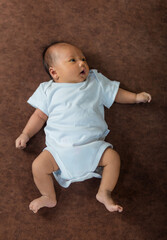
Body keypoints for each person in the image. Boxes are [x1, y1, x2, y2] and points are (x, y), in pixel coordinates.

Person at [15, 42, 151, 214]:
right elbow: (39, 116)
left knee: (113, 158)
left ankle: (104, 192)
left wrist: (135, 97)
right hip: (59, 151)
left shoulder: (95, 81)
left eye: (83, 59)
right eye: (73, 60)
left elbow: (115, 93)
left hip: (93, 147)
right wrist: (25, 134)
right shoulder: (48, 90)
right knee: (38, 166)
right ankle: (48, 196)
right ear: (54, 72)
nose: (82, 63)